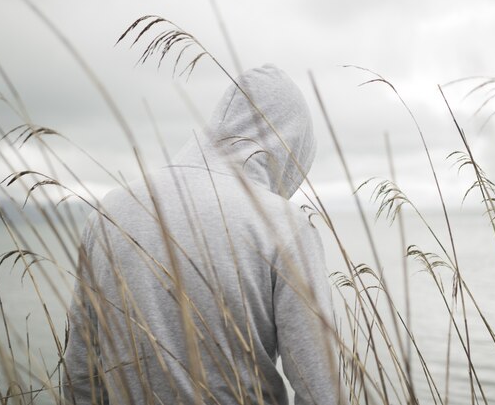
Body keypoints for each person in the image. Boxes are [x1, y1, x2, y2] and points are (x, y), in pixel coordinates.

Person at [63, 64, 346, 405]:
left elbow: (81, 373)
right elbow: (323, 393)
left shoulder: (110, 211)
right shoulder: (284, 226)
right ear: (289, 148)